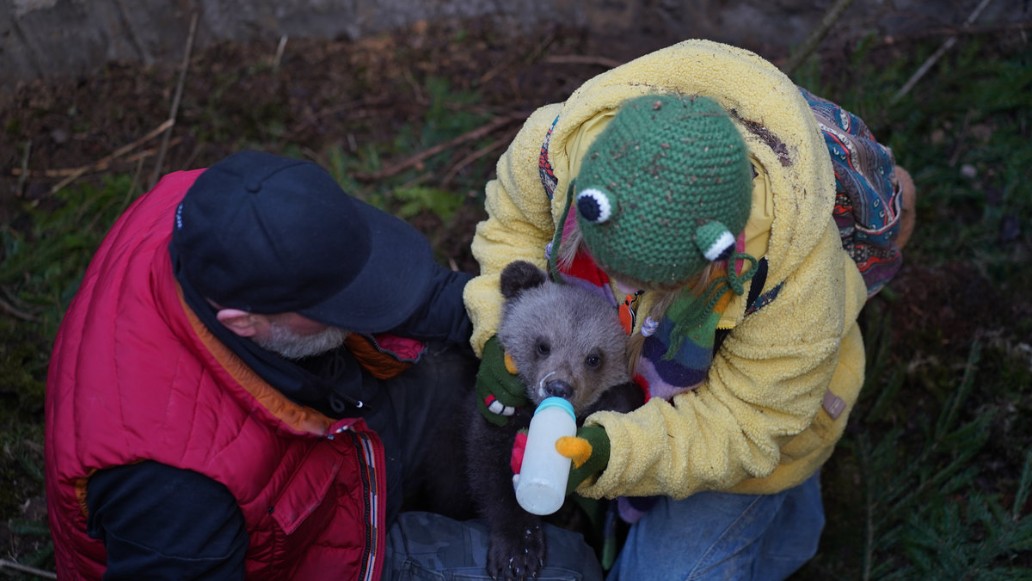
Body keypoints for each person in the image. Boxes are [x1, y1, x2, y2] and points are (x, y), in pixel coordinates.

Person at [466, 39, 916, 580]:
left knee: (707, 556)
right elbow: (511, 228)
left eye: (652, 284)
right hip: (617, 370)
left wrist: (613, 455)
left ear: (719, 250)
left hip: (757, 419)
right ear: (589, 194)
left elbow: (746, 425)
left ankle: (785, 515)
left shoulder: (796, 288)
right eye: (605, 263)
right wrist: (502, 331)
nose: (618, 292)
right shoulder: (556, 148)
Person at [44, 150, 604, 580]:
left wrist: (517, 326)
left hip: (329, 430)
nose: (373, 306)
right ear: (245, 322)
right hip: (300, 549)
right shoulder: (173, 491)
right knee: (568, 568)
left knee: (454, 368)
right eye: (342, 303)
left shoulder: (214, 203)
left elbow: (427, 300)